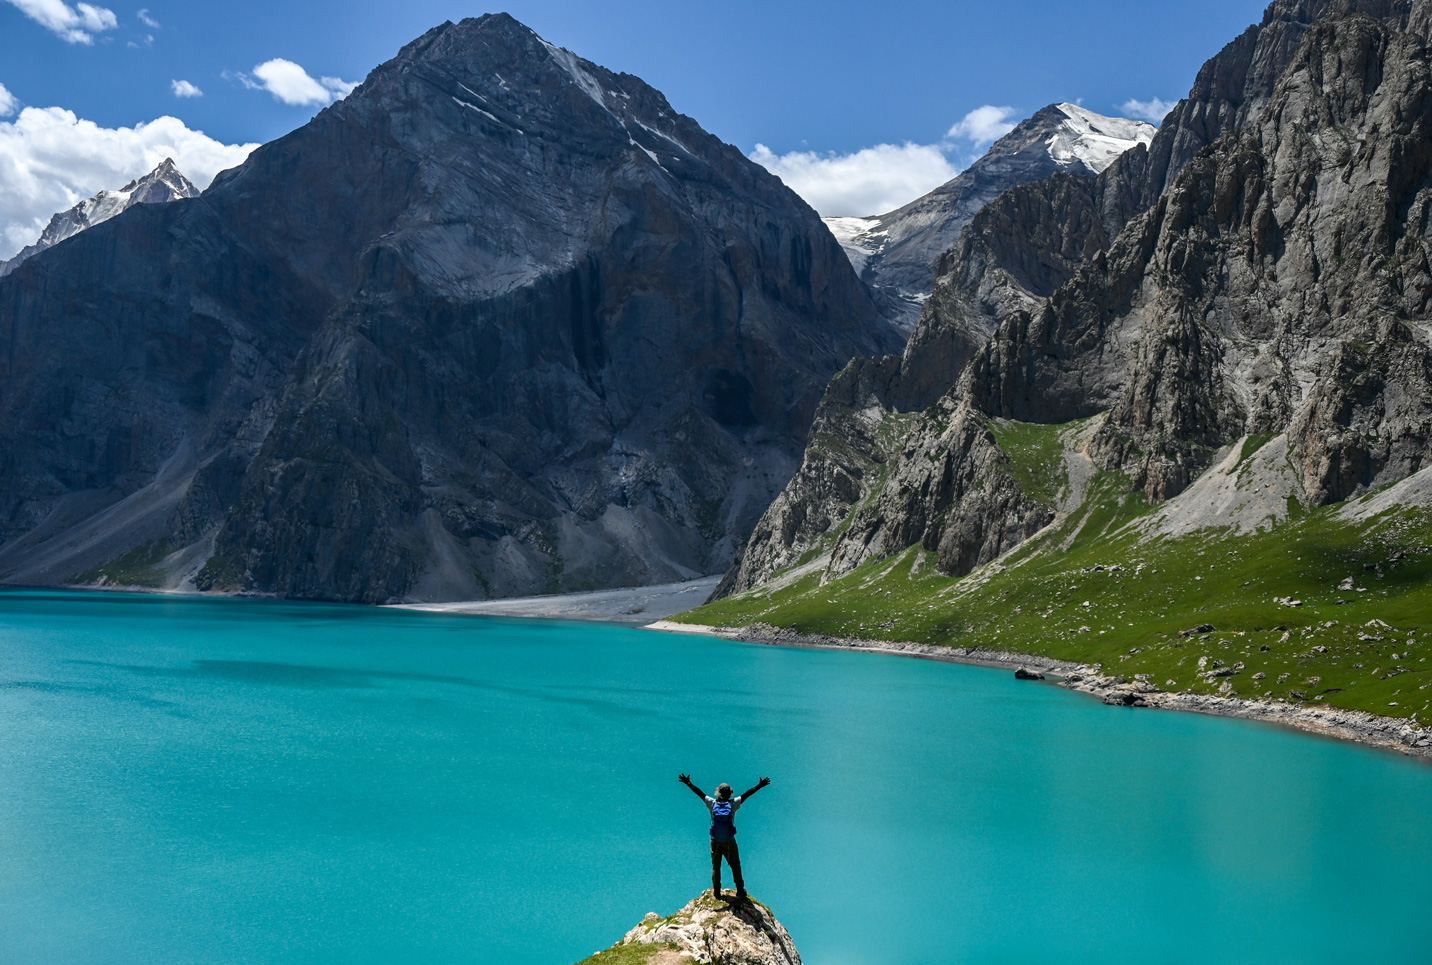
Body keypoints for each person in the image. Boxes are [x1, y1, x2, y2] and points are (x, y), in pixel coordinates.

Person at [678, 772, 770, 901]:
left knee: (716, 866)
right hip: (729, 841)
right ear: (729, 794)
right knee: (735, 864)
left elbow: (699, 793)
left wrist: (688, 783)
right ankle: (739, 889)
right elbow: (748, 794)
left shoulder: (712, 803)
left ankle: (716, 891)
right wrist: (760, 785)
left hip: (715, 840)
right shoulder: (733, 804)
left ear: (719, 793)